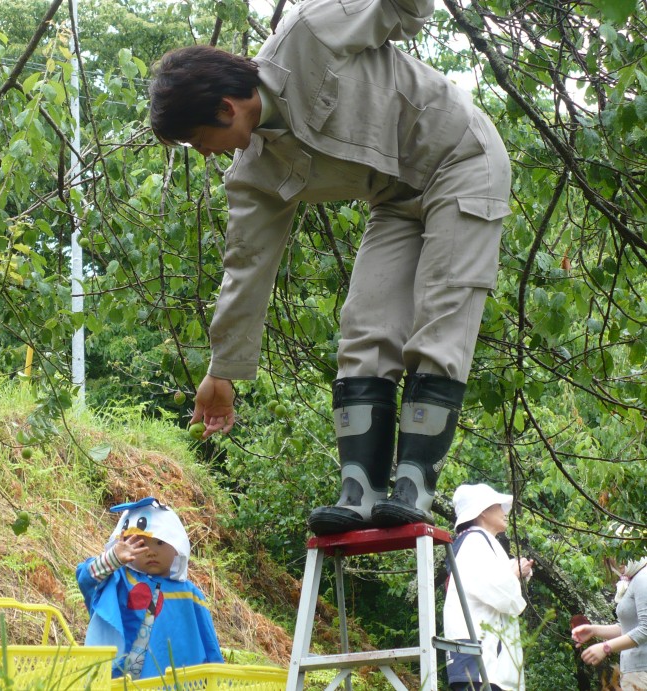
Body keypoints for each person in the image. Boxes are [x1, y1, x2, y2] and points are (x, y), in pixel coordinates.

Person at [149, 0, 511, 534]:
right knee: (364, 330)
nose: (202, 153)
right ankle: (359, 490)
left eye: (196, 139)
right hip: (397, 197)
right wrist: (221, 371)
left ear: (226, 107)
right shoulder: (255, 174)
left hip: (461, 160)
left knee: (440, 324)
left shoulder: (309, 34)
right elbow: (246, 269)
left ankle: (413, 485)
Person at [76, 497, 223, 679]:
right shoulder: (120, 580)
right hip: (117, 679)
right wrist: (113, 558)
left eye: (160, 542)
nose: (151, 551)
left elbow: (209, 642)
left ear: (177, 544)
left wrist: (219, 678)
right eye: (141, 544)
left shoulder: (190, 595)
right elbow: (86, 579)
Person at [442, 483, 532, 691]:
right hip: (476, 653)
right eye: (498, 505)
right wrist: (515, 573)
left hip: (479, 653)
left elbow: (489, 580)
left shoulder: (479, 541)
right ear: (482, 511)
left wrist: (514, 570)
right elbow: (499, 591)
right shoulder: (474, 541)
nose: (503, 511)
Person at [572, 552, 647, 690]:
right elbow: (627, 629)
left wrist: (605, 647)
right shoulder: (635, 579)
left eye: (623, 552)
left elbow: (645, 629)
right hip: (636, 672)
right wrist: (594, 630)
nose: (618, 561)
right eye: (613, 556)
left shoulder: (643, 578)